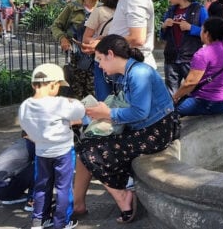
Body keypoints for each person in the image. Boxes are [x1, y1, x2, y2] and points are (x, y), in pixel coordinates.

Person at [74, 35, 179, 223]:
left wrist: (108, 114)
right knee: (85, 145)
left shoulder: (139, 73)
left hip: (155, 132)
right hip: (144, 128)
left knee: (89, 150)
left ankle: (123, 197)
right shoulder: (127, 73)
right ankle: (80, 203)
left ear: (110, 55)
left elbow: (140, 112)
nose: (99, 65)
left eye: (99, 59)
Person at [18, 64, 85, 229]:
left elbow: (26, 128)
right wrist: (73, 102)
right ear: (54, 84)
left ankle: (38, 220)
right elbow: (80, 112)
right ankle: (61, 222)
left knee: (42, 186)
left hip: (41, 152)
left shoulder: (25, 106)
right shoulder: (60, 103)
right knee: (63, 188)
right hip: (63, 152)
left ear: (34, 84)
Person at [88, 0, 156, 71]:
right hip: (129, 66)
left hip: (135, 66)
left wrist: (104, 44)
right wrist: (106, 38)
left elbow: (137, 38)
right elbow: (125, 32)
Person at [172, 17, 223, 116]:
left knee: (168, 112)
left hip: (209, 101)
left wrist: (175, 97)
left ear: (206, 34)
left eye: (202, 29)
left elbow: (190, 83)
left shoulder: (203, 54)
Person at [50, 0, 102, 99]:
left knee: (94, 94)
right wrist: (62, 38)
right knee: (75, 93)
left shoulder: (103, 9)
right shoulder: (73, 7)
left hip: (98, 58)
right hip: (76, 57)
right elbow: (56, 26)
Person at [160, 0, 207, 94]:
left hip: (191, 58)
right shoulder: (170, 11)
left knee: (195, 90)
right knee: (171, 92)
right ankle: (172, 111)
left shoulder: (199, 9)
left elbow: (208, 32)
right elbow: (163, 36)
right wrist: (164, 27)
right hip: (171, 58)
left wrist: (191, 28)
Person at [81, 0, 119, 100]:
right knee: (104, 100)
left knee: (124, 102)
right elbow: (86, 38)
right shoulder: (99, 11)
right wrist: (101, 40)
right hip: (101, 63)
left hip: (122, 64)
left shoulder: (128, 12)